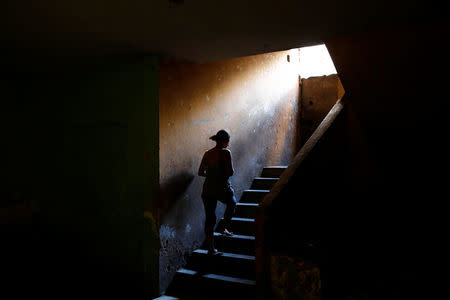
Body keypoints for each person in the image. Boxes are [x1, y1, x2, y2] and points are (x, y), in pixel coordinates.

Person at [198, 129, 237, 255]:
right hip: (221, 188)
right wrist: (221, 175)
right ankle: (223, 226)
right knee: (232, 204)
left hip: (208, 189)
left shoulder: (207, 153)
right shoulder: (226, 153)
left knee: (210, 219)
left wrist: (211, 175)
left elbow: (200, 172)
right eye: (228, 141)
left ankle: (210, 249)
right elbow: (231, 172)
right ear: (225, 141)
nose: (228, 144)